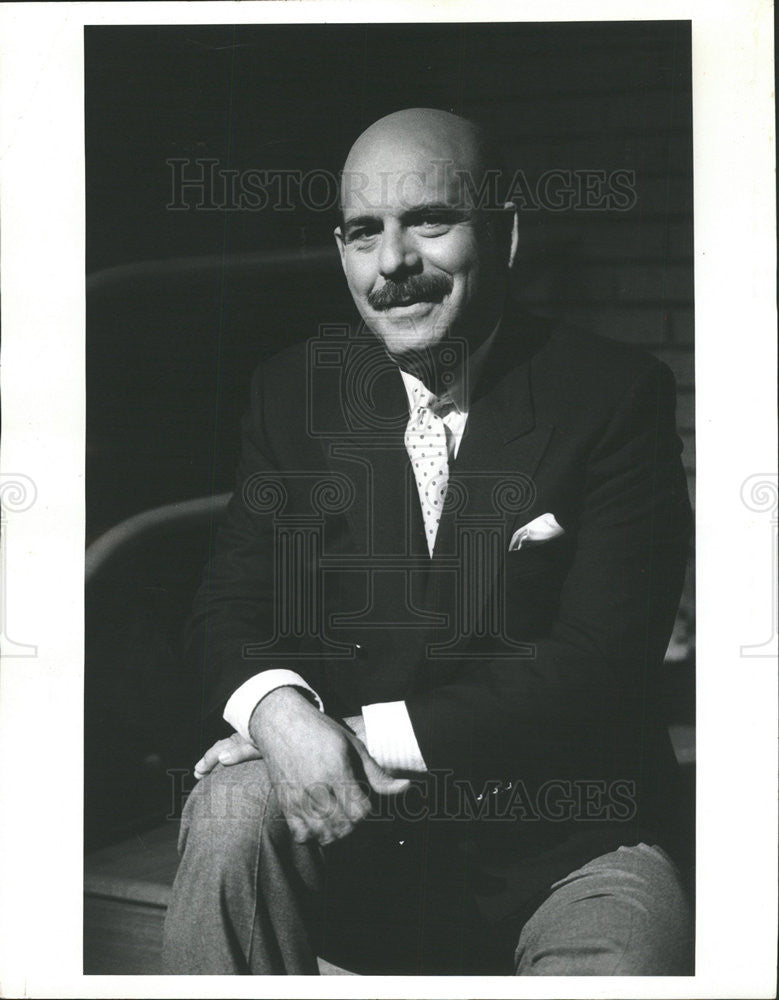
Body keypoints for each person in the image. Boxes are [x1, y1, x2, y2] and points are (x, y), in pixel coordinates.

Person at [162, 108, 693, 975]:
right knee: (230, 819)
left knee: (627, 957)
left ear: (507, 235)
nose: (394, 263)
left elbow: (600, 663)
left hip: (565, 845)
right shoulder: (293, 394)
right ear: (341, 253)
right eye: (363, 233)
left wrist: (349, 734)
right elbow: (229, 601)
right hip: (356, 832)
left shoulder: (612, 396)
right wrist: (277, 714)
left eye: (430, 223)